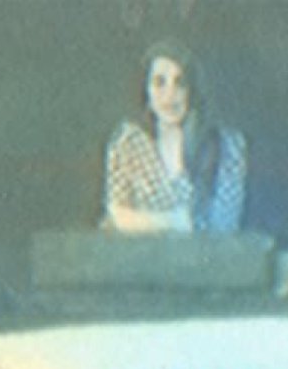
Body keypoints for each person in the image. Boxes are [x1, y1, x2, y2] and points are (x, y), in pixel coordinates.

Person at [100, 39, 246, 233]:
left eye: (180, 83)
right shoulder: (128, 142)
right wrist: (175, 222)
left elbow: (224, 226)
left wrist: (144, 222)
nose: (170, 95)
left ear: (192, 89)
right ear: (146, 90)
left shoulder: (227, 145)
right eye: (159, 83)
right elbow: (116, 218)